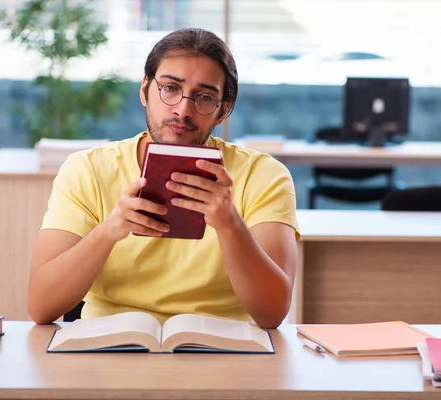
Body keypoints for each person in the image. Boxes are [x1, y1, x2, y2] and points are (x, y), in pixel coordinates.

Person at [27, 28, 299, 329]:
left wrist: (229, 224)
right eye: (170, 88)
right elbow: (41, 307)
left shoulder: (263, 175)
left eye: (205, 97)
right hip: (108, 347)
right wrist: (109, 230)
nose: (182, 110)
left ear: (223, 112)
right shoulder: (86, 169)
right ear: (145, 91)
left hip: (224, 349)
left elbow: (273, 313)